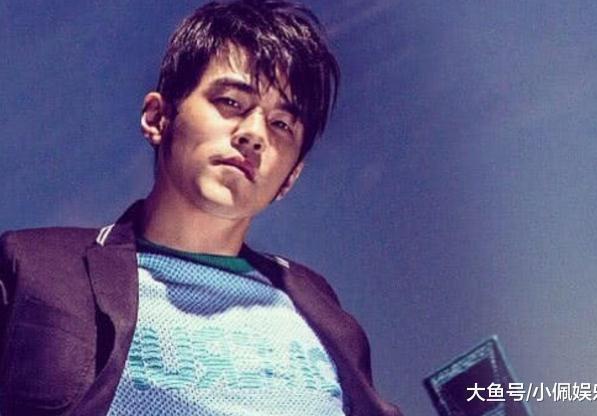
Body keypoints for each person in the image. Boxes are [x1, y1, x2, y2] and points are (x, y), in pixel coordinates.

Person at [0, 1, 402, 415]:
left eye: (281, 124)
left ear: (290, 177)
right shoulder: (36, 269)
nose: (254, 134)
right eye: (231, 102)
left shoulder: (319, 306)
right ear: (158, 117)